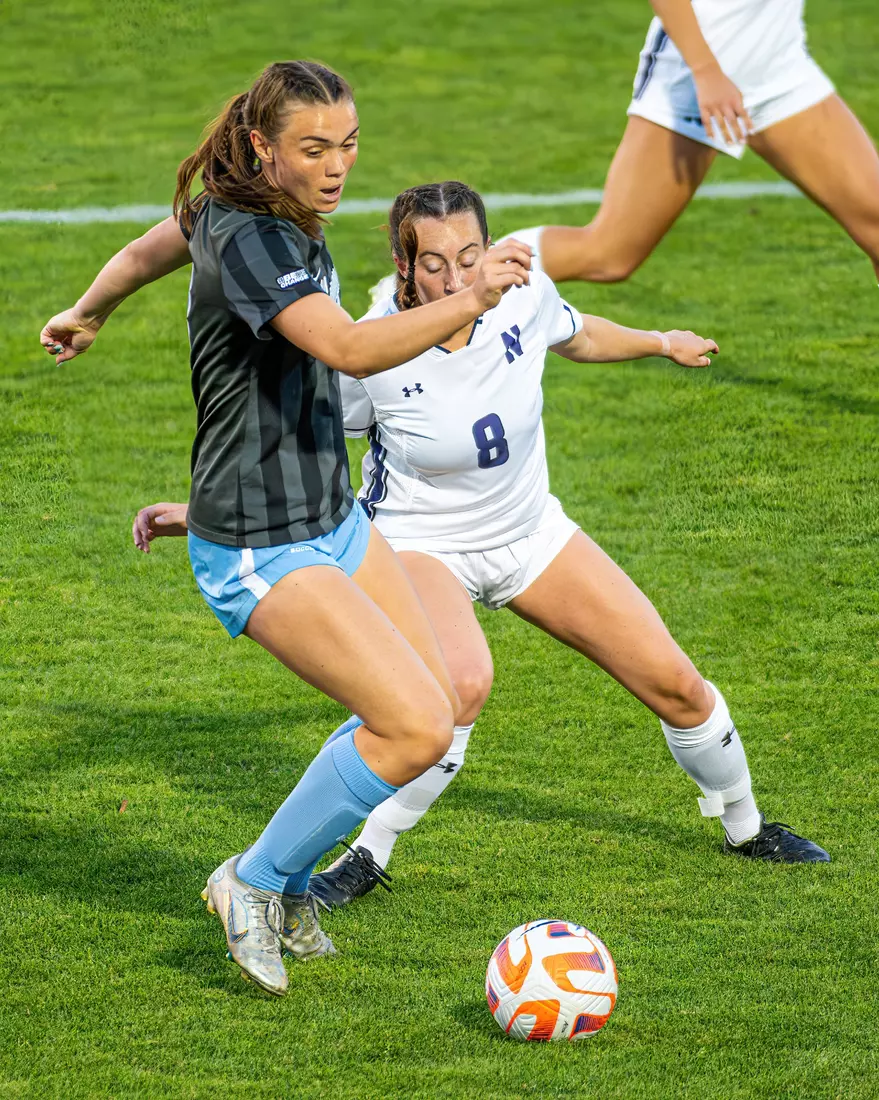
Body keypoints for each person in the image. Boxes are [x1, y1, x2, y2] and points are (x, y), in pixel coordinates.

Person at [133, 181, 830, 915]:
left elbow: (576, 332)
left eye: (470, 254)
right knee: (457, 687)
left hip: (532, 532)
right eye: (434, 263)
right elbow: (295, 444)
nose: (458, 276)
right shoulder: (370, 346)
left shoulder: (520, 291)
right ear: (403, 268)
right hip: (420, 544)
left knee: (676, 685)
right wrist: (212, 514)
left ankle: (747, 829)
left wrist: (661, 342)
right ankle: (364, 855)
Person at [39, 64, 532, 997]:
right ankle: (253, 882)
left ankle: (294, 878)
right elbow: (346, 347)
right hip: (263, 545)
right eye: (315, 149)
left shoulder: (238, 208)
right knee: (414, 723)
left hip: (330, 517)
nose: (338, 166)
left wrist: (90, 307)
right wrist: (467, 300)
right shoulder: (258, 238)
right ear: (265, 148)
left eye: (347, 145)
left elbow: (156, 245)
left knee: (440, 692)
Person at [502, 0, 879, 287]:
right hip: (693, 73)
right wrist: (706, 72)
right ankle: (469, 281)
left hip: (780, 70)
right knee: (608, 254)